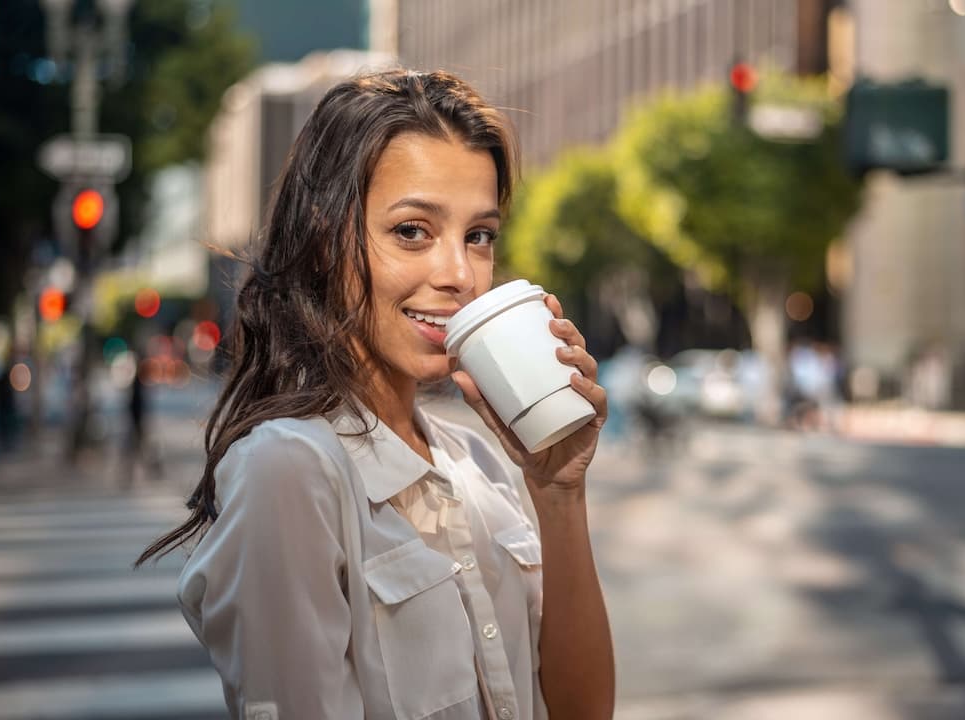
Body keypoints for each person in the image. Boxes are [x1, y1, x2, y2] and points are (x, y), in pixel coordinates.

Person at [136, 69, 614, 720]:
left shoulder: (475, 462)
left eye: (479, 235)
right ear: (327, 239)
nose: (459, 275)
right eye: (412, 231)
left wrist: (560, 492)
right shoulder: (289, 469)